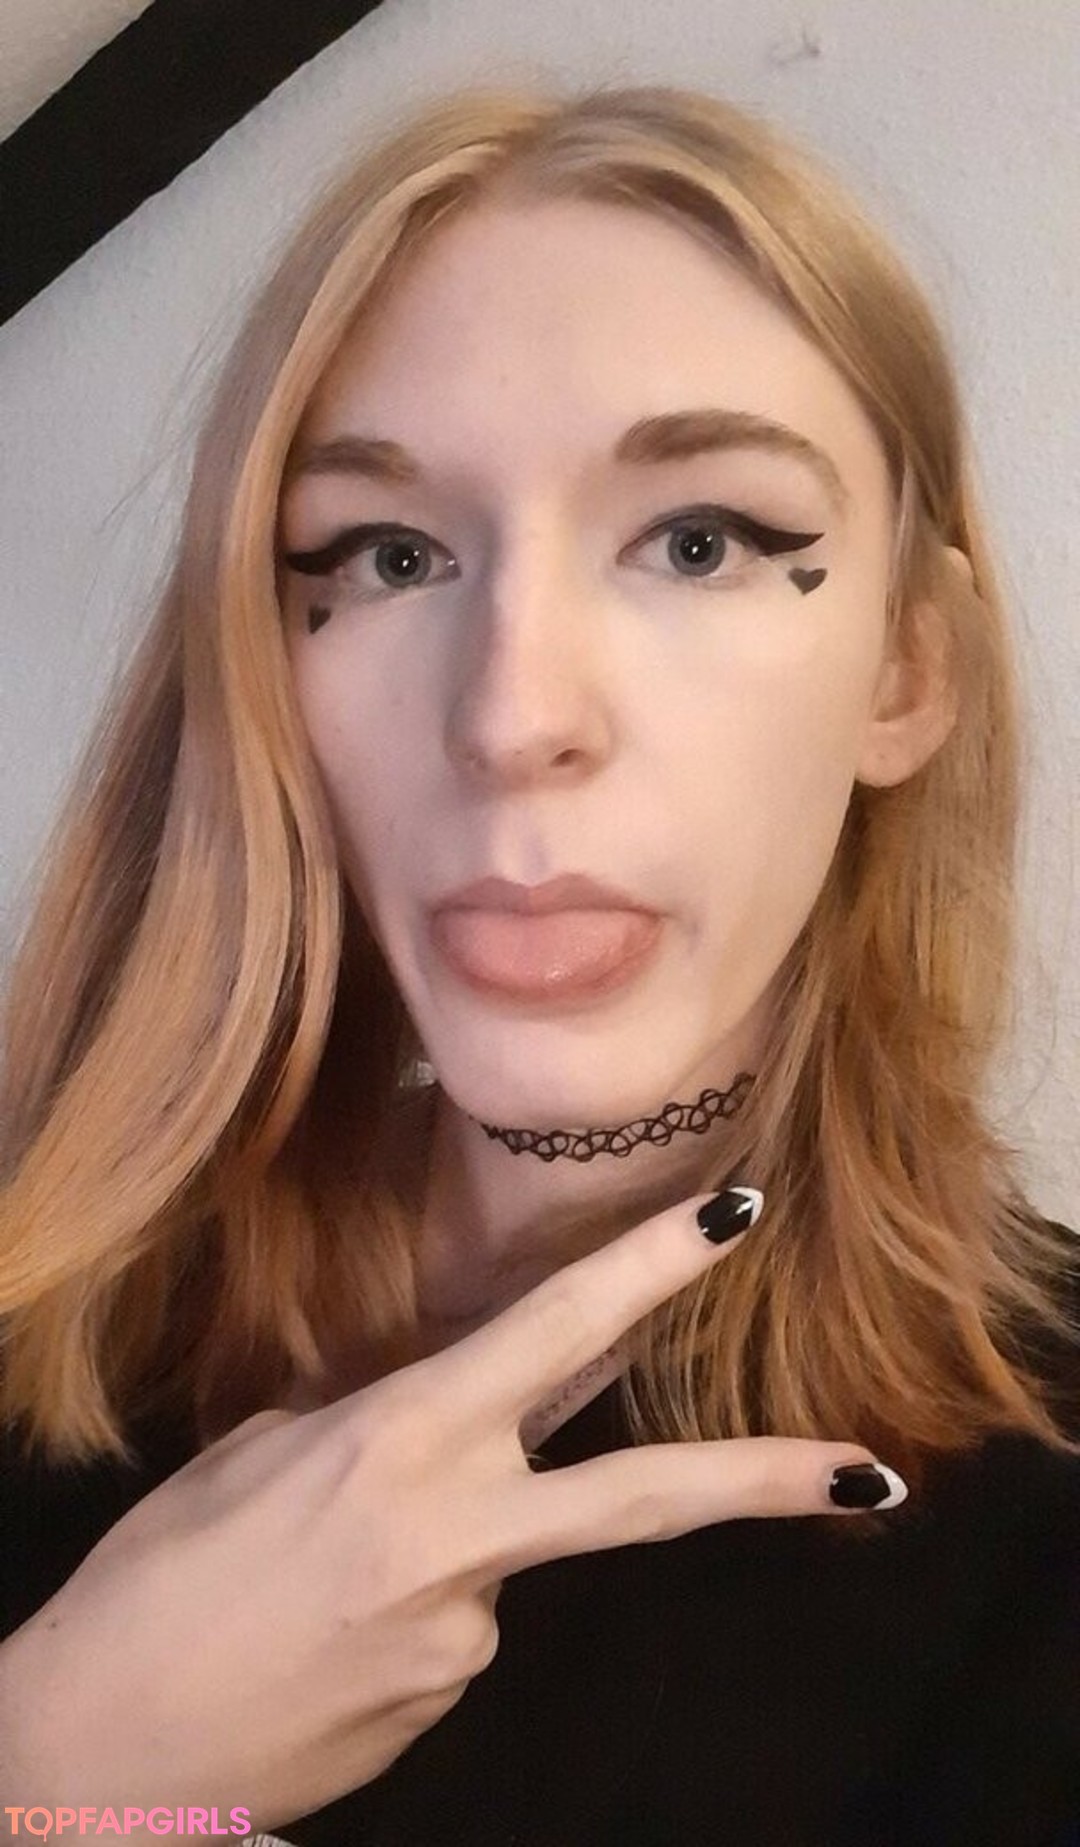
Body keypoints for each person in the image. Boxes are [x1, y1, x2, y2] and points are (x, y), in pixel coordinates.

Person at [1, 80, 1077, 1847]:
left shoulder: (1039, 1539)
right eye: (389, 554)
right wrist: (50, 1773)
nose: (511, 717)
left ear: (905, 673)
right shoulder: (60, 1288)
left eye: (701, 542)